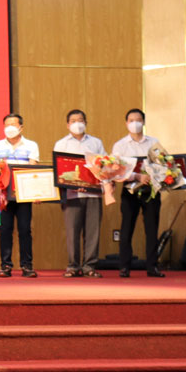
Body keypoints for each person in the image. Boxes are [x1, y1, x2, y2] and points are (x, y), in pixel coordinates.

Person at [111, 108, 165, 278]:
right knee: (127, 228)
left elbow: (164, 165)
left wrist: (156, 174)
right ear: (126, 123)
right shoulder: (120, 145)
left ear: (144, 122)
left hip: (151, 191)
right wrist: (137, 176)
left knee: (152, 229)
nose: (135, 123)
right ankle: (124, 266)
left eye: (138, 119)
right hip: (129, 191)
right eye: (131, 120)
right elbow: (116, 171)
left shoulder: (154, 142)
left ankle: (152, 266)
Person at [53, 109, 106, 278]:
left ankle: (89, 266)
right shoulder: (61, 144)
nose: (77, 123)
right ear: (68, 125)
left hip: (93, 194)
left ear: (86, 122)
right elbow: (58, 169)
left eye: (81, 120)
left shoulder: (96, 143)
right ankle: (73, 266)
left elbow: (105, 165)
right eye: (73, 120)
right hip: (71, 195)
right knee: (72, 231)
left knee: (93, 231)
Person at [0, 113, 40, 278]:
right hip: (4, 195)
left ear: (21, 127)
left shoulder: (31, 145)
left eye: (13, 124)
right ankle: (5, 265)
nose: (10, 128)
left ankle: (27, 265)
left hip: (24, 195)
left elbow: (34, 172)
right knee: (5, 229)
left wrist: (36, 192)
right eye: (7, 125)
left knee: (25, 230)